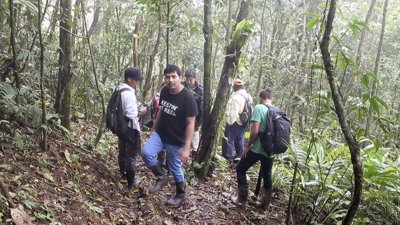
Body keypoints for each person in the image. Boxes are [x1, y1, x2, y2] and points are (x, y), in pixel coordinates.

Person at [141, 64, 198, 207]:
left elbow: (191, 123)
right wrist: (154, 127)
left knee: (174, 168)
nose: (171, 80)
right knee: (146, 153)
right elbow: (161, 109)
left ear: (180, 78)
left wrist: (186, 148)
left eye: (174, 77)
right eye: (168, 77)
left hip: (177, 140)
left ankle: (180, 193)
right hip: (161, 134)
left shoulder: (188, 97)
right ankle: (161, 177)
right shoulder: (165, 91)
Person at [231, 89, 275, 209]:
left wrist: (247, 146)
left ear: (261, 98)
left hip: (258, 149)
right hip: (271, 151)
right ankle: (264, 205)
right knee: (267, 175)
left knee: (240, 168)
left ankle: (242, 199)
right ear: (271, 98)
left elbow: (255, 131)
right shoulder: (277, 111)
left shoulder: (259, 108)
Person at [117, 67, 146, 190]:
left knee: (123, 151)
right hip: (130, 128)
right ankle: (131, 181)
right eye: (136, 80)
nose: (137, 82)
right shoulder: (128, 93)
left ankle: (123, 173)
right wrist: (141, 111)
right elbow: (131, 114)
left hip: (121, 126)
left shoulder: (119, 89)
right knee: (131, 156)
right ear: (129, 79)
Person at [222, 79, 253, 164]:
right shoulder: (248, 96)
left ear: (235, 87)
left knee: (228, 140)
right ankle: (239, 156)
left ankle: (227, 158)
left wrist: (229, 123)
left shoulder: (236, 98)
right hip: (244, 122)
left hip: (236, 121)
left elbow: (233, 113)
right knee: (240, 138)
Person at [182, 69, 203, 154]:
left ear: (195, 79)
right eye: (187, 79)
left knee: (194, 136)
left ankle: (194, 154)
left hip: (195, 117)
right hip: (182, 116)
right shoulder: (181, 86)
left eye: (190, 79)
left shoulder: (200, 90)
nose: (189, 82)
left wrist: (199, 122)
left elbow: (202, 108)